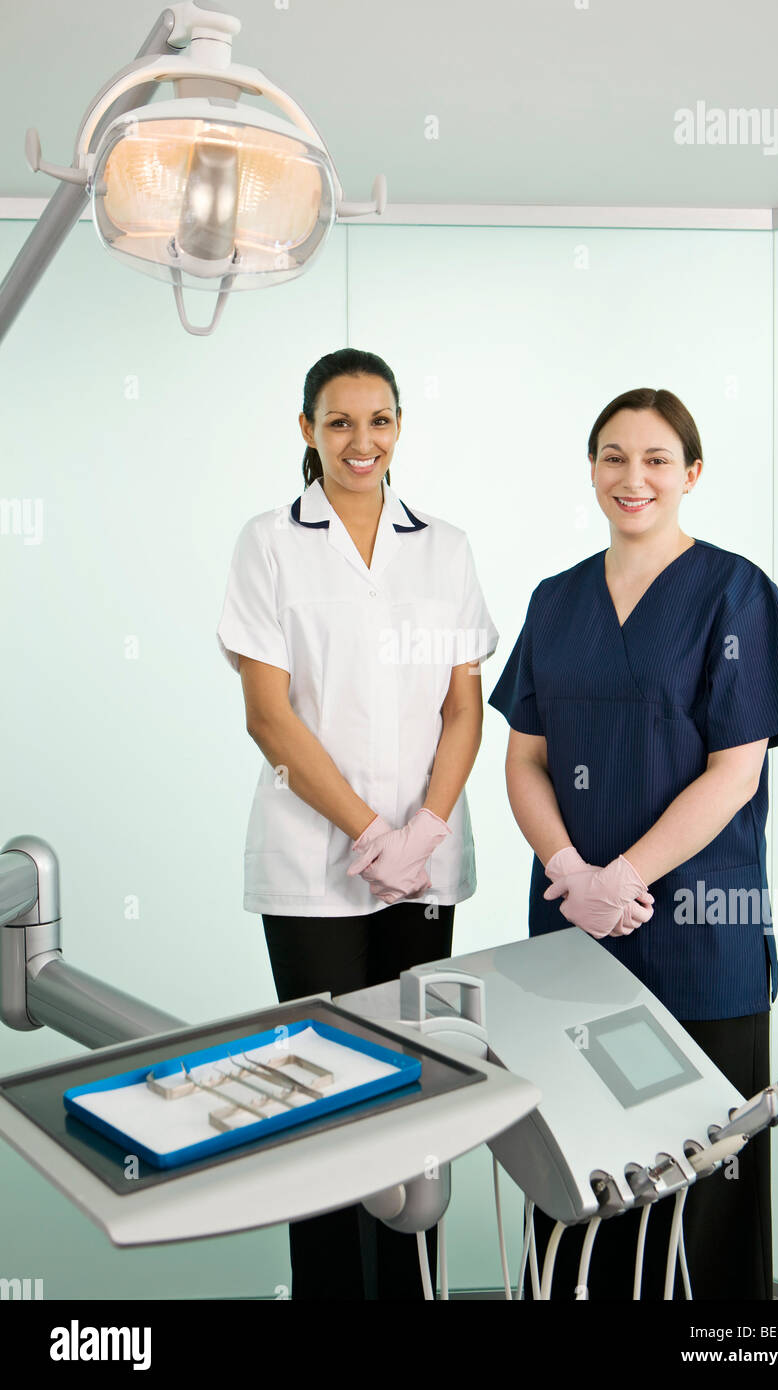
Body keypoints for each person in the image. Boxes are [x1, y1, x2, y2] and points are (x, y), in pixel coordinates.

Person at [488, 387, 778, 1300]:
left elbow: (735, 771)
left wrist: (626, 876)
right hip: (573, 930)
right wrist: (570, 872)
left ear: (691, 475)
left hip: (700, 927)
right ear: (591, 468)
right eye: (612, 457)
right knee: (579, 1159)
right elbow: (523, 760)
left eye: (655, 460)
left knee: (710, 1165)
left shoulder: (734, 592)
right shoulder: (555, 602)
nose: (631, 478)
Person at [216, 348, 498, 1299]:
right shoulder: (268, 542)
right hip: (312, 866)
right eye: (339, 422)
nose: (361, 441)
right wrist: (366, 833)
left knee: (411, 1096)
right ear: (307, 431)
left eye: (379, 420)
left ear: (400, 428)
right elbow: (269, 713)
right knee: (319, 1099)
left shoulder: (445, 547)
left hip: (423, 866)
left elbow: (466, 708)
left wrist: (421, 830)